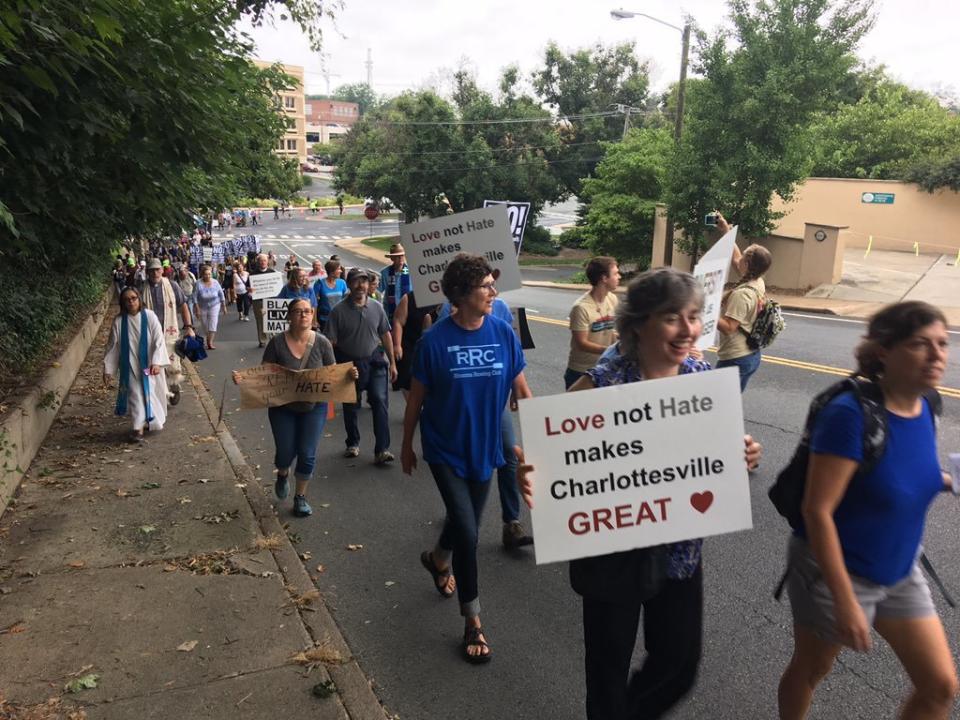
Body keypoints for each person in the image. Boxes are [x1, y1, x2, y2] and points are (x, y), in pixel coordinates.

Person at [517, 267, 762, 719]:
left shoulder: (699, 377)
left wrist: (739, 454)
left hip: (680, 551)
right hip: (615, 550)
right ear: (638, 324)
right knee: (608, 671)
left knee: (679, 665)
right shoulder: (604, 384)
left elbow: (711, 453)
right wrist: (533, 476)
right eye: (672, 317)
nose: (688, 329)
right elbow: (552, 462)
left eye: (693, 316)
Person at [777, 301, 957, 720]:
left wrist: (949, 482)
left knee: (939, 686)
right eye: (919, 344)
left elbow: (903, 475)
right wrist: (844, 600)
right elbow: (816, 510)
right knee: (813, 668)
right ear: (883, 352)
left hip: (899, 568)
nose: (937, 356)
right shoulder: (850, 415)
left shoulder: (927, 403)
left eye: (942, 344)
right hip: (835, 570)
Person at [401, 254, 531, 664]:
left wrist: (549, 439)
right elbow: (416, 400)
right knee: (470, 533)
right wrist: (406, 444)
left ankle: (438, 558)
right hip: (444, 449)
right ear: (460, 295)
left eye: (493, 285)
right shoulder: (434, 342)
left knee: (464, 526)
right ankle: (472, 619)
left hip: (486, 448)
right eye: (485, 287)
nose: (494, 292)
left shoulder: (502, 333)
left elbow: (522, 390)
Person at [232, 299, 356, 517]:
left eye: (307, 311)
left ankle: (300, 497)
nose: (303, 315)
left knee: (307, 453)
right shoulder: (277, 343)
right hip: (283, 408)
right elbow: (264, 373)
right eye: (298, 311)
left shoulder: (322, 343)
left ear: (313, 315)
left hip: (314, 407)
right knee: (285, 452)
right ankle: (282, 472)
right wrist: (244, 379)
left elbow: (332, 372)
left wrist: (349, 375)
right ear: (289, 316)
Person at [437, 296, 534, 550]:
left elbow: (512, 351)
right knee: (468, 459)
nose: (492, 289)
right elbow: (441, 349)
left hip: (495, 403)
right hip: (465, 402)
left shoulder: (502, 309)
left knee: (509, 456)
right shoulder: (450, 308)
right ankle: (458, 512)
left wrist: (515, 387)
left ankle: (511, 522)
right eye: (485, 284)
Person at [325, 267, 397, 464]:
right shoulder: (338, 311)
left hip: (374, 361)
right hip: (348, 364)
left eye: (364, 281)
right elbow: (329, 343)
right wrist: (334, 369)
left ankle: (382, 449)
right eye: (356, 281)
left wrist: (392, 363)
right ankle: (353, 443)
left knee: (380, 401)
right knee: (351, 405)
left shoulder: (376, 307)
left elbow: (385, 334)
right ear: (348, 284)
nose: (361, 285)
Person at [714, 213, 773, 391]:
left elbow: (729, 328)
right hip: (750, 356)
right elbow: (736, 257)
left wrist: (703, 311)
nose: (738, 260)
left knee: (718, 407)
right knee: (726, 407)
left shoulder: (743, 294)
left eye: (744, 258)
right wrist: (726, 231)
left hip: (736, 359)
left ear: (747, 265)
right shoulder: (757, 281)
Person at [103, 287, 169, 442]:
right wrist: (108, 370)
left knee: (149, 392)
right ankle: (137, 428)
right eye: (127, 299)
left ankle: (150, 420)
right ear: (123, 303)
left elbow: (159, 340)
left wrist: (157, 362)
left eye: (134, 298)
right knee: (135, 393)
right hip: (129, 366)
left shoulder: (150, 316)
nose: (131, 302)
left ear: (139, 299)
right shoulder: (119, 321)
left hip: (149, 364)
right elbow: (112, 346)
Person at [141, 258, 196, 406]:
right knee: (152, 363)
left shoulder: (172, 286)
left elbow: (183, 305)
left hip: (169, 332)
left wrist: (189, 326)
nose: (155, 273)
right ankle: (156, 392)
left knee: (171, 362)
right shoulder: (141, 289)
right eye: (151, 270)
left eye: (157, 269)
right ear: (147, 272)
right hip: (150, 333)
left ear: (162, 270)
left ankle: (174, 386)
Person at [564, 256, 621, 389]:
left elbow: (609, 330)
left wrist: (625, 341)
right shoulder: (581, 307)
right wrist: (612, 351)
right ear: (604, 278)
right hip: (581, 372)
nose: (619, 277)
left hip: (604, 368)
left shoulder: (612, 299)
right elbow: (582, 343)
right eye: (615, 273)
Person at [190, 264, 226, 350]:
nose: (208, 276)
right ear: (202, 274)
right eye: (206, 274)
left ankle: (210, 342)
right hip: (202, 305)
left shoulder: (215, 282)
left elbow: (221, 294)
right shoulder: (198, 283)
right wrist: (197, 308)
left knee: (213, 323)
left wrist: (224, 306)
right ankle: (208, 337)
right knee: (205, 325)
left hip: (215, 304)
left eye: (209, 274)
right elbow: (194, 296)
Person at [250, 253, 280, 348]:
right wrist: (249, 290)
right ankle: (262, 340)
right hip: (258, 301)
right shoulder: (253, 274)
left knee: (272, 319)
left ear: (267, 262)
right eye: (261, 261)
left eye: (264, 261)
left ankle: (274, 338)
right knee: (260, 321)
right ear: (258, 262)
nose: (263, 262)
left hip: (270, 300)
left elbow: (277, 287)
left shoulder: (272, 273)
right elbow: (248, 287)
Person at [379, 243, 412, 325]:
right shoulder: (385, 273)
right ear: (392, 258)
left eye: (402, 256)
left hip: (409, 314)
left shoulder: (412, 271)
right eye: (397, 256)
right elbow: (376, 292)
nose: (401, 258)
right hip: (390, 316)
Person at [315, 259, 348, 333]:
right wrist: (314, 320)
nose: (341, 271)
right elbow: (314, 304)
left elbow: (347, 301)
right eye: (339, 269)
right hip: (324, 320)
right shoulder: (319, 283)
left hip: (340, 319)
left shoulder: (342, 283)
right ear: (332, 271)